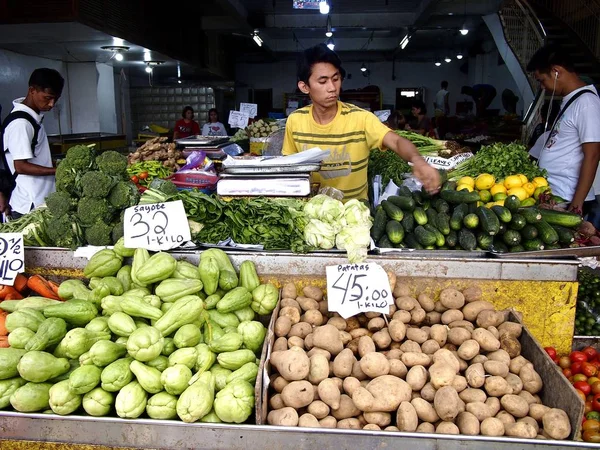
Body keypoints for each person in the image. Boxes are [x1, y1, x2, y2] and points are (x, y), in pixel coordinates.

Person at [282, 43, 440, 201]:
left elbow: (396, 141)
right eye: (323, 82)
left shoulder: (361, 118)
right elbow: (289, 169)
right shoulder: (295, 120)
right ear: (304, 87)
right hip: (312, 213)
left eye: (336, 79)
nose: (332, 88)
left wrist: (418, 160)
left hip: (356, 216)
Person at [526, 44, 600, 215]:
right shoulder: (571, 100)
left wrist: (576, 206)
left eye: (541, 80)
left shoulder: (586, 103)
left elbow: (593, 154)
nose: (542, 87)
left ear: (556, 71)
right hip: (555, 195)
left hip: (567, 199)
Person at [2, 68, 64, 219]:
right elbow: (20, 166)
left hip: (40, 200)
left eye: (55, 99)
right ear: (32, 90)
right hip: (29, 204)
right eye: (48, 98)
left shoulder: (33, 119)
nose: (51, 104)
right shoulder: (21, 123)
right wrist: (57, 170)